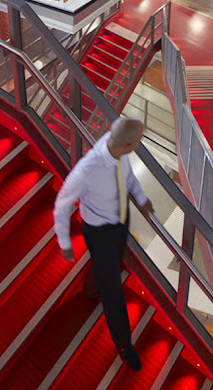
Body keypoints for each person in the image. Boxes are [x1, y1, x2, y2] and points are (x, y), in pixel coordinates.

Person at [53, 116, 154, 372]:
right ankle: (124, 345)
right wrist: (64, 241)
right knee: (114, 292)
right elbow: (62, 204)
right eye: (137, 142)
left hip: (120, 220)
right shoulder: (88, 170)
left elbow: (129, 179)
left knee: (109, 266)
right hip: (99, 232)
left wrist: (141, 199)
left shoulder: (118, 151)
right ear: (129, 144)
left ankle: (92, 286)